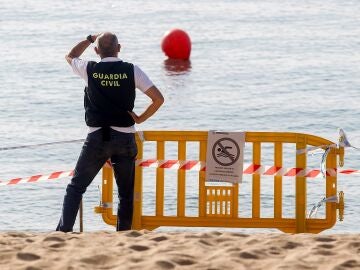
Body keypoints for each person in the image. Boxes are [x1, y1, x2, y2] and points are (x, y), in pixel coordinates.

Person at [56, 32, 164, 232]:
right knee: (125, 193)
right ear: (119, 48)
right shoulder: (132, 70)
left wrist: (89, 39)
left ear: (96, 51)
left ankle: (63, 232)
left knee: (76, 187)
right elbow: (158, 99)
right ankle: (122, 235)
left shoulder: (90, 69)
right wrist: (141, 118)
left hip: (97, 137)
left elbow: (70, 55)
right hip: (125, 137)